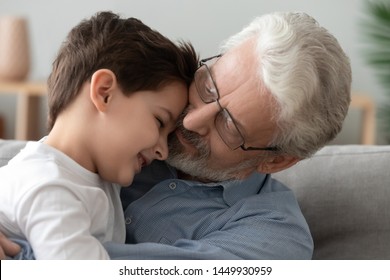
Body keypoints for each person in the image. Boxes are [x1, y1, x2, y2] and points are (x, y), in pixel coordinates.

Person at [0, 11, 351, 260]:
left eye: (229, 125)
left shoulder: (271, 236)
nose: (191, 121)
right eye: (208, 85)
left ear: (276, 160)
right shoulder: (126, 125)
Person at [0, 11, 198, 259]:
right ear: (105, 93)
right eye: (159, 122)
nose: (163, 151)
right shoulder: (48, 186)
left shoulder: (88, 174)